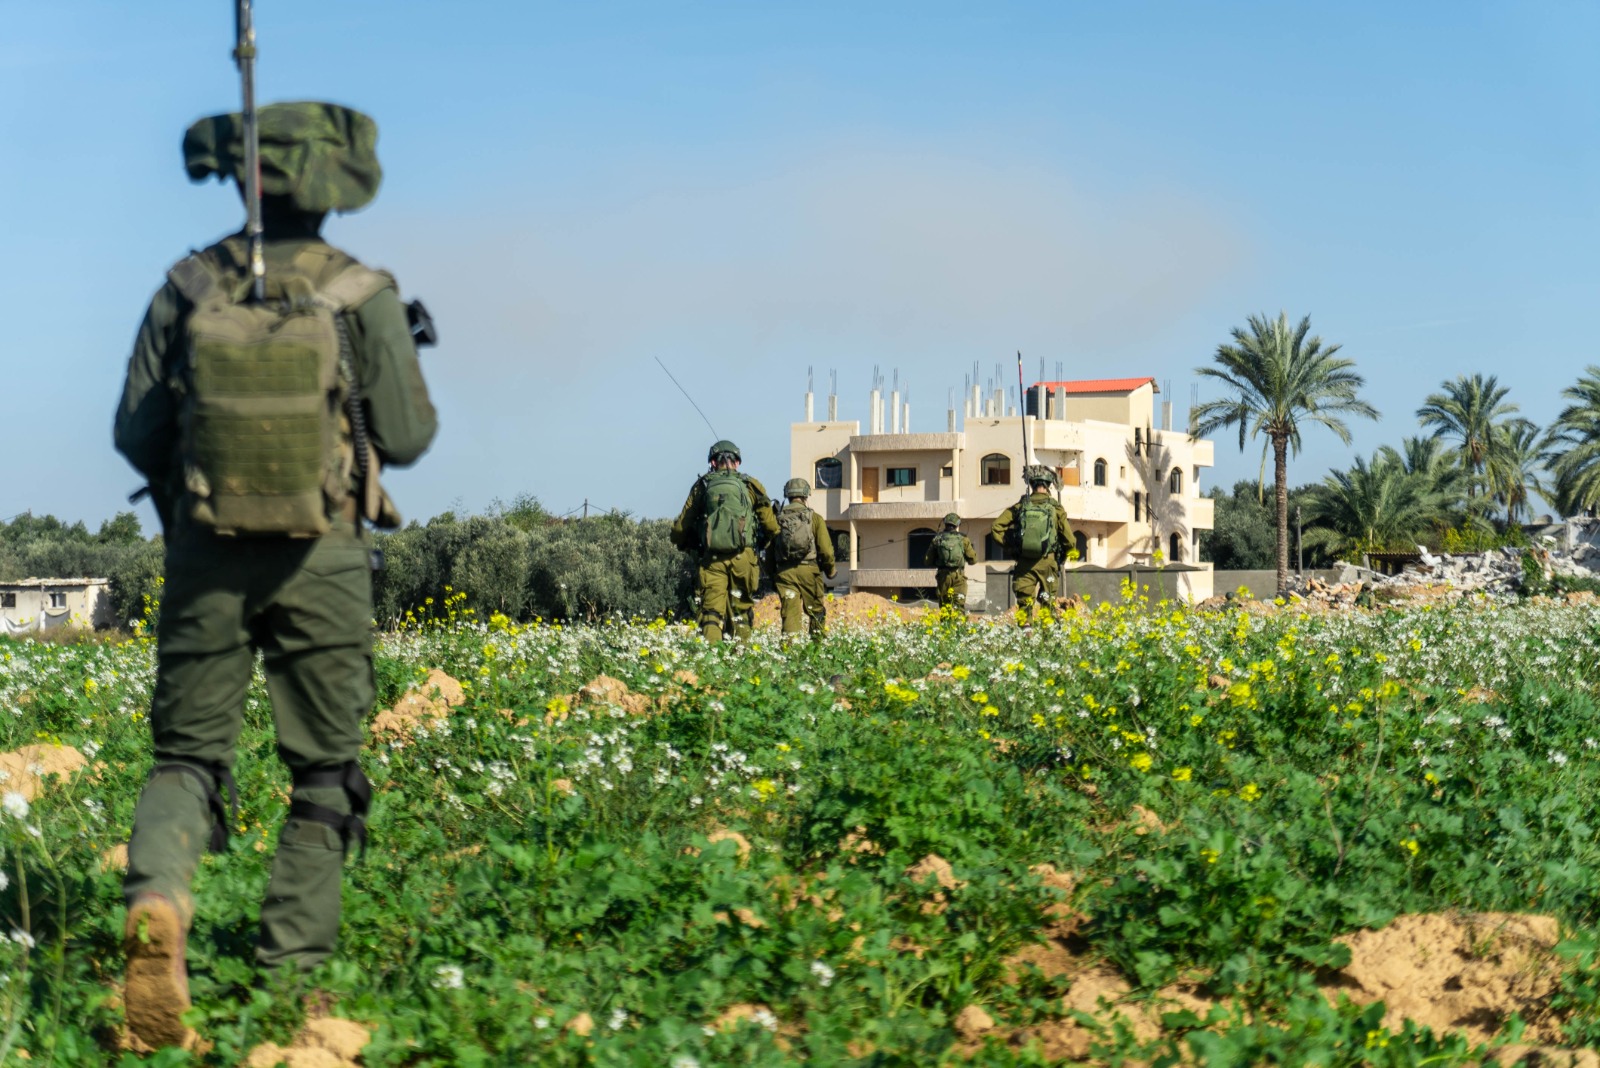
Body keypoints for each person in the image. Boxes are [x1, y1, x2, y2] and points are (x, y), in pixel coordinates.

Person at [113, 102, 438, 1050]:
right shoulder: (359, 290)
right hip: (324, 557)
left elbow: (133, 431)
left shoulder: (187, 284)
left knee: (186, 759)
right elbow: (409, 440)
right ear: (336, 186)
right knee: (327, 774)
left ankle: (159, 903)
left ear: (241, 179)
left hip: (206, 555)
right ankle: (289, 988)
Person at [669, 440, 779, 642]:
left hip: (712, 560)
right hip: (743, 558)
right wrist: (763, 543)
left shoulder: (702, 486)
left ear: (712, 462)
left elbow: (680, 528)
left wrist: (684, 543)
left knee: (711, 613)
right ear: (737, 462)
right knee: (741, 611)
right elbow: (771, 526)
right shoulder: (751, 485)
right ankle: (741, 657)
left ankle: (712, 660)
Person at [989, 466, 1072, 623]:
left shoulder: (1021, 507)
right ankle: (1047, 640)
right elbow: (1070, 540)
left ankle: (1026, 637)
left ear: (1031, 484)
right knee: (1048, 604)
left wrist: (1012, 548)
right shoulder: (1055, 508)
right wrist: (1062, 557)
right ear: (1049, 485)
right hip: (1049, 562)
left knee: (1024, 606)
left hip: (1024, 562)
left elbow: (996, 528)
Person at [769, 478, 836, 641]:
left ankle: (789, 653)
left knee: (790, 615)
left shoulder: (777, 519)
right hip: (809, 572)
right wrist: (830, 570)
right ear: (806, 495)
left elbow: (770, 551)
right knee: (816, 611)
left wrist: (773, 575)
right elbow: (826, 550)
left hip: (785, 574)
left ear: (787, 495)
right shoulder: (814, 518)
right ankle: (816, 649)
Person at [928, 513, 977, 609]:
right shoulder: (964, 539)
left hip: (943, 577)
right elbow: (973, 560)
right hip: (958, 577)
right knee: (959, 606)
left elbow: (927, 561)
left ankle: (946, 624)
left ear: (945, 523)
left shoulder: (937, 539)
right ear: (957, 524)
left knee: (945, 607)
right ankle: (958, 623)